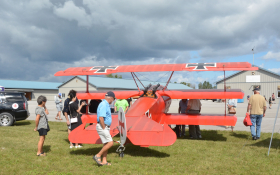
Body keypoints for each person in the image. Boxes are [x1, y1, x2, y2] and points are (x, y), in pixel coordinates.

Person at [93, 91, 115, 166]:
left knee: (106, 144)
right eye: (114, 99)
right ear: (111, 98)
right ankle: (98, 155)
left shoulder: (105, 104)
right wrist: (104, 128)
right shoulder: (104, 104)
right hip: (103, 126)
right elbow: (101, 117)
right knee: (110, 143)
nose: (113, 101)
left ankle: (104, 161)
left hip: (104, 126)